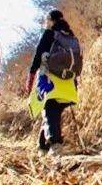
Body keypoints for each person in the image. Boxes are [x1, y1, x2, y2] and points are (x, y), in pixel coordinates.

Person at [26, 9, 80, 152]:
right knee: (53, 113)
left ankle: (55, 145)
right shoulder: (71, 37)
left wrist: (30, 78)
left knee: (50, 111)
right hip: (68, 82)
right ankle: (43, 147)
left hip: (51, 80)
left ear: (50, 21)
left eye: (46, 21)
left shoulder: (49, 34)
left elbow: (38, 57)